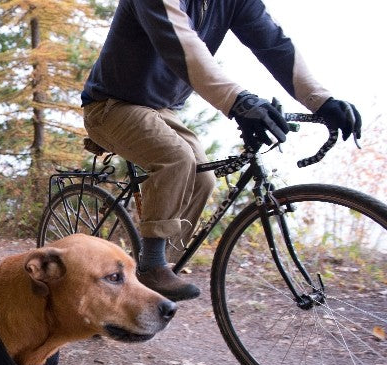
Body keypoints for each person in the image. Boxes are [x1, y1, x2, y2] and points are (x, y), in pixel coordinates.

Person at [82, 0, 361, 301]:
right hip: (110, 105)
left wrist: (322, 101)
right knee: (176, 159)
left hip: (161, 109)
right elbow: (182, 43)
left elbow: (275, 46)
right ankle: (151, 265)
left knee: (203, 179)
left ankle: (144, 272)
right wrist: (239, 101)